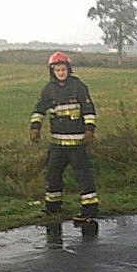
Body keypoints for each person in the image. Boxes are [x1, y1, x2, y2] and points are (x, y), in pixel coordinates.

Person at [29, 52, 99, 221]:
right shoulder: (49, 90)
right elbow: (39, 110)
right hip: (57, 143)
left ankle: (89, 209)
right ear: (52, 71)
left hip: (76, 142)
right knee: (53, 174)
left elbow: (89, 111)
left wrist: (90, 130)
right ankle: (53, 207)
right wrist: (35, 128)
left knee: (82, 176)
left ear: (69, 69)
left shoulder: (79, 87)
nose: (61, 72)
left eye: (63, 69)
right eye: (57, 70)